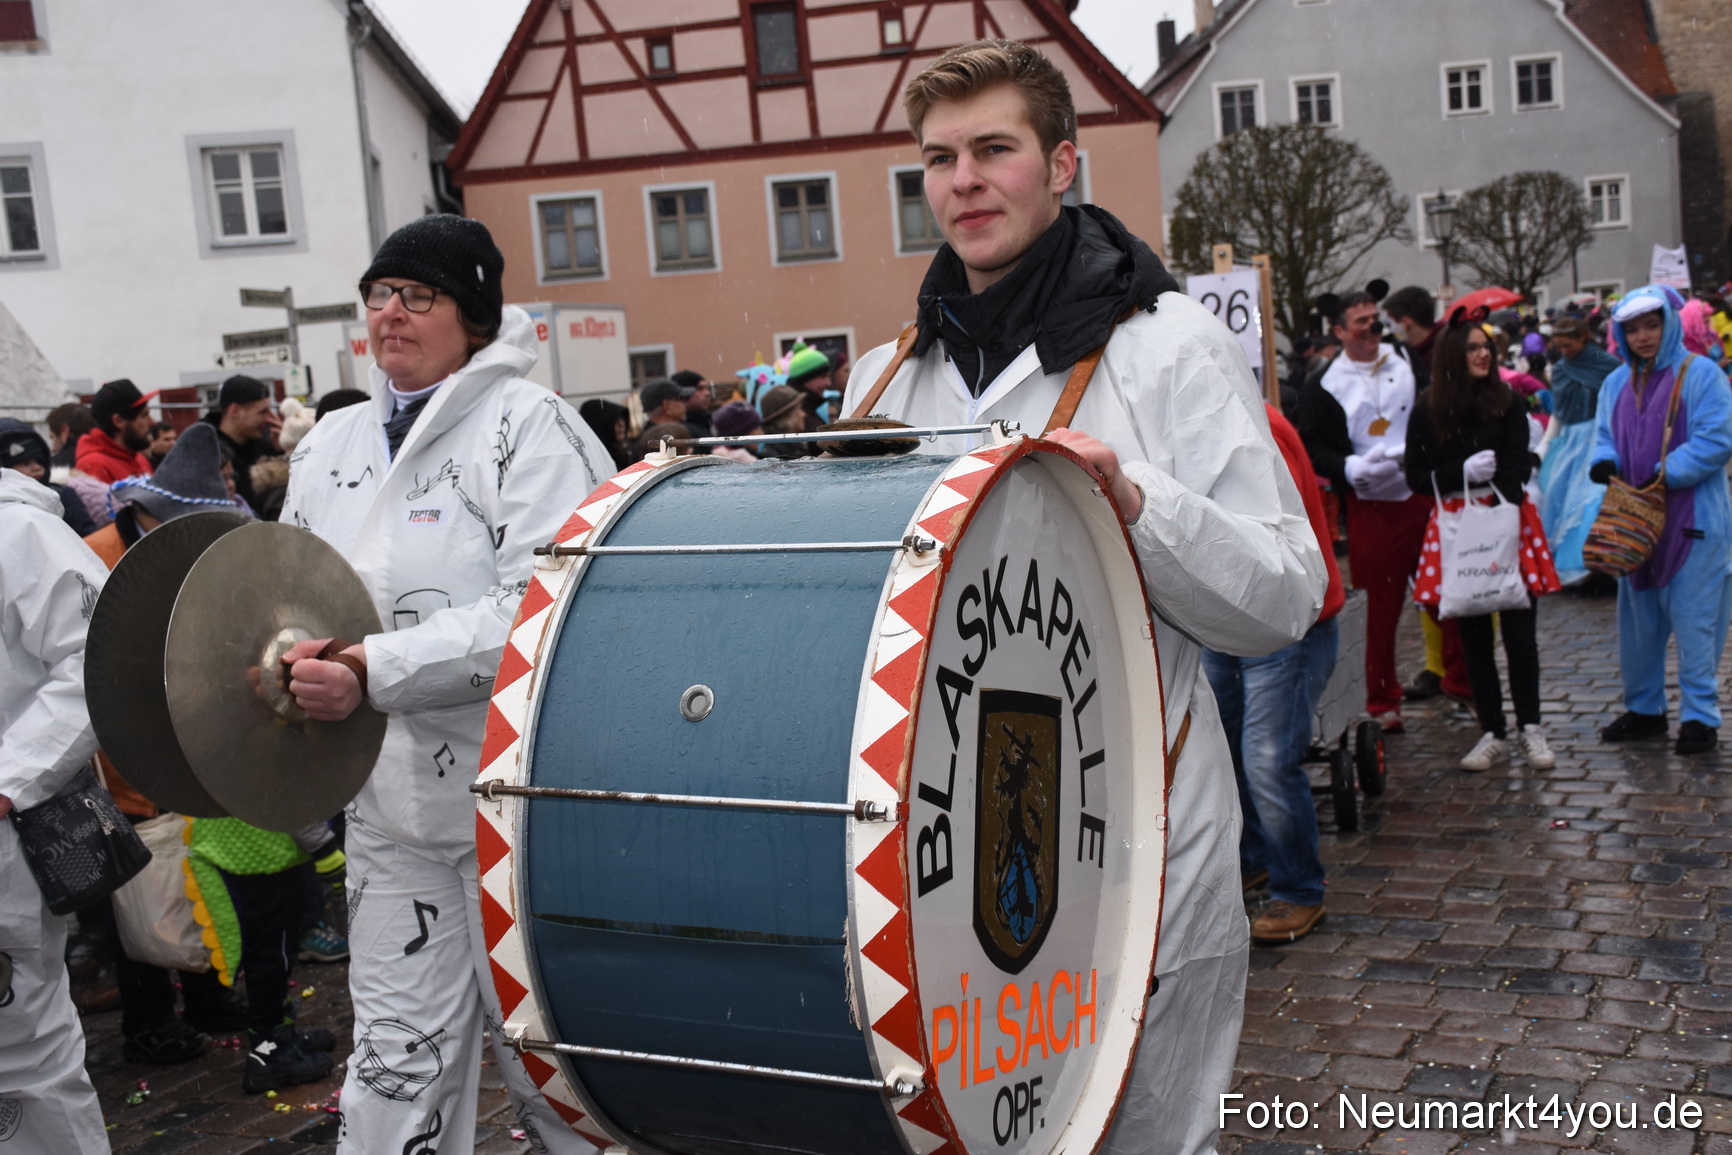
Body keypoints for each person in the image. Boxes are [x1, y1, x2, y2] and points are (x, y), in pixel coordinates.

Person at [843, 41, 1325, 1155]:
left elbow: (1283, 596)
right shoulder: (886, 380)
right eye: (940, 158)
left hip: (1138, 839)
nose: (964, 180)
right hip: (938, 865)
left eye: (994, 149)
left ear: (1062, 164)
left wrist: (1139, 504)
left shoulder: (1169, 349)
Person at [278, 214, 609, 1154]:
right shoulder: (330, 441)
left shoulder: (532, 426)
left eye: (418, 295)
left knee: (553, 1064)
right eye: (378, 293)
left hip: (520, 810)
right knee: (394, 1058)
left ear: (473, 316)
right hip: (387, 812)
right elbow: (286, 585)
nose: (391, 312)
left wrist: (370, 668)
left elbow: (546, 608)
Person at [0, 466, 112, 1153]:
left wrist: (10, 779)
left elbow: (98, 661)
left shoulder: (18, 530)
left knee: (23, 1057)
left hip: (5, 845)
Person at [1204, 403, 1344, 944]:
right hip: (1228, 613)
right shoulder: (1226, 416)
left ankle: (1299, 889)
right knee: (1224, 748)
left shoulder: (1251, 424)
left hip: (1285, 620)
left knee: (1266, 760)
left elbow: (1274, 533)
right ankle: (1254, 859)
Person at [1407, 317, 1560, 770]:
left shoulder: (1507, 402)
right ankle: (1492, 729)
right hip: (1456, 528)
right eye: (1473, 347)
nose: (1483, 355)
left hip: (1506, 521)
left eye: (1486, 347)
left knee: (1521, 637)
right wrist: (1460, 473)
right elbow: (1416, 475)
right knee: (1474, 638)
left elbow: (1517, 465)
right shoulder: (1429, 409)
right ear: (1453, 355)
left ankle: (1531, 726)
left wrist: (1494, 505)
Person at [1591, 285, 1732, 755]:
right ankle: (1645, 709)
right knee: (1639, 625)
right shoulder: (1615, 383)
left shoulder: (1702, 374)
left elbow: (1716, 439)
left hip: (1692, 523)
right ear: (1620, 334)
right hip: (1633, 520)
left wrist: (1668, 470)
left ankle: (1699, 717)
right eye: (1633, 329)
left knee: (1697, 623)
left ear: (1669, 323)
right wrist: (1605, 461)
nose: (1643, 337)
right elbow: (1604, 435)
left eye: (1651, 325)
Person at [1300, 291, 1428, 731]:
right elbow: (1313, 444)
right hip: (1370, 504)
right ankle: (1382, 699)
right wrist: (1349, 468)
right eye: (1361, 322)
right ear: (1338, 331)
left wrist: (1425, 452)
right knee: (1379, 609)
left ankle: (1460, 681)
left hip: (1419, 492)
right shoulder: (1324, 384)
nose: (1373, 328)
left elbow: (1433, 408)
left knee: (1444, 592)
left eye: (1376, 318)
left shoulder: (1406, 358)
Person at [1538, 316, 1623, 585]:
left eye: (1569, 345)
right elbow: (1558, 414)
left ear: (1582, 339)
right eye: (1559, 347)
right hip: (1572, 442)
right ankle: (1578, 563)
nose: (1565, 352)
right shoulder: (1560, 370)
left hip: (1603, 436)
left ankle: (1604, 560)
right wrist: (1545, 446)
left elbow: (1621, 401)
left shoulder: (1607, 365)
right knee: (1562, 497)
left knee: (1595, 496)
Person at [201, 375, 283, 515]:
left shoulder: (266, 446)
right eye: (263, 412)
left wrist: (281, 452)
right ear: (235, 411)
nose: (269, 418)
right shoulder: (206, 453)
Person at [0, 419, 97, 536]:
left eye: (40, 461)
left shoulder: (61, 496)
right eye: (25, 463)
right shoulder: (6, 507)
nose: (36, 467)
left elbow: (89, 537)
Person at [78, 378, 157, 484]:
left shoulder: (139, 459)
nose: (152, 422)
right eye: (144, 415)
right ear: (118, 421)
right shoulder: (95, 465)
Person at [1384, 285, 1439, 391]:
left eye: (1390, 324)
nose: (1390, 330)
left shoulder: (1442, 354)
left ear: (1406, 323)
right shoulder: (1412, 353)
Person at [631, 377, 691, 460]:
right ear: (667, 406)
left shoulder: (639, 443)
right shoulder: (652, 443)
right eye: (681, 398)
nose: (685, 404)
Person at [753, 384, 810, 460]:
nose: (804, 414)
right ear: (788, 417)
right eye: (799, 410)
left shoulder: (792, 445)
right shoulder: (775, 456)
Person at [579, 398, 632, 471]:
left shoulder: (623, 455)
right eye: (615, 419)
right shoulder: (592, 462)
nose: (622, 424)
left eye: (623, 418)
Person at [46, 402, 94, 471]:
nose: (53, 449)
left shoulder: (53, 467)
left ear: (65, 431)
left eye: (53, 438)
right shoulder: (106, 456)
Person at [671, 369, 714, 438]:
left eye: (706, 388)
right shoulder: (680, 431)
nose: (707, 393)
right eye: (700, 388)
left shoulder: (703, 422)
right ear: (684, 394)